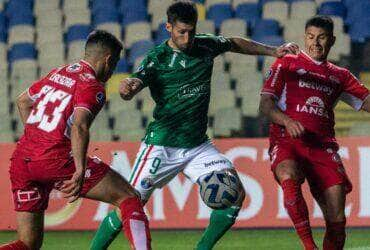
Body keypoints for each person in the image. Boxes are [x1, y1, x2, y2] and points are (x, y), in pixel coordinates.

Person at [90, 2, 299, 250]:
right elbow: (136, 81)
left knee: (234, 195)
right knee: (130, 202)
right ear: (168, 27)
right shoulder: (158, 58)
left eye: (191, 31)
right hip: (161, 146)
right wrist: (128, 88)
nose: (187, 38)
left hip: (198, 146)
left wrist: (273, 51)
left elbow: (233, 43)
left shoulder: (205, 45)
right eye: (181, 32)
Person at [0, 30, 151, 250]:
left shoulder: (57, 73)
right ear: (108, 60)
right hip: (55, 159)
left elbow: (23, 101)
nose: (112, 71)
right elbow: (80, 126)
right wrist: (79, 170)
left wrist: (38, 138)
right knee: (129, 198)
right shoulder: (92, 85)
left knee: (28, 243)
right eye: (115, 63)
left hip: (23, 161)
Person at [259, 15, 370, 250]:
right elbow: (266, 105)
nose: (315, 43)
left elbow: (367, 101)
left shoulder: (340, 76)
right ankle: (310, 246)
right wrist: (287, 122)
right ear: (304, 37)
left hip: (322, 147)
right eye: (310, 37)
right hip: (287, 141)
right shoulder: (286, 63)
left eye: (321, 38)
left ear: (332, 40)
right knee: (289, 176)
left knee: (337, 218)